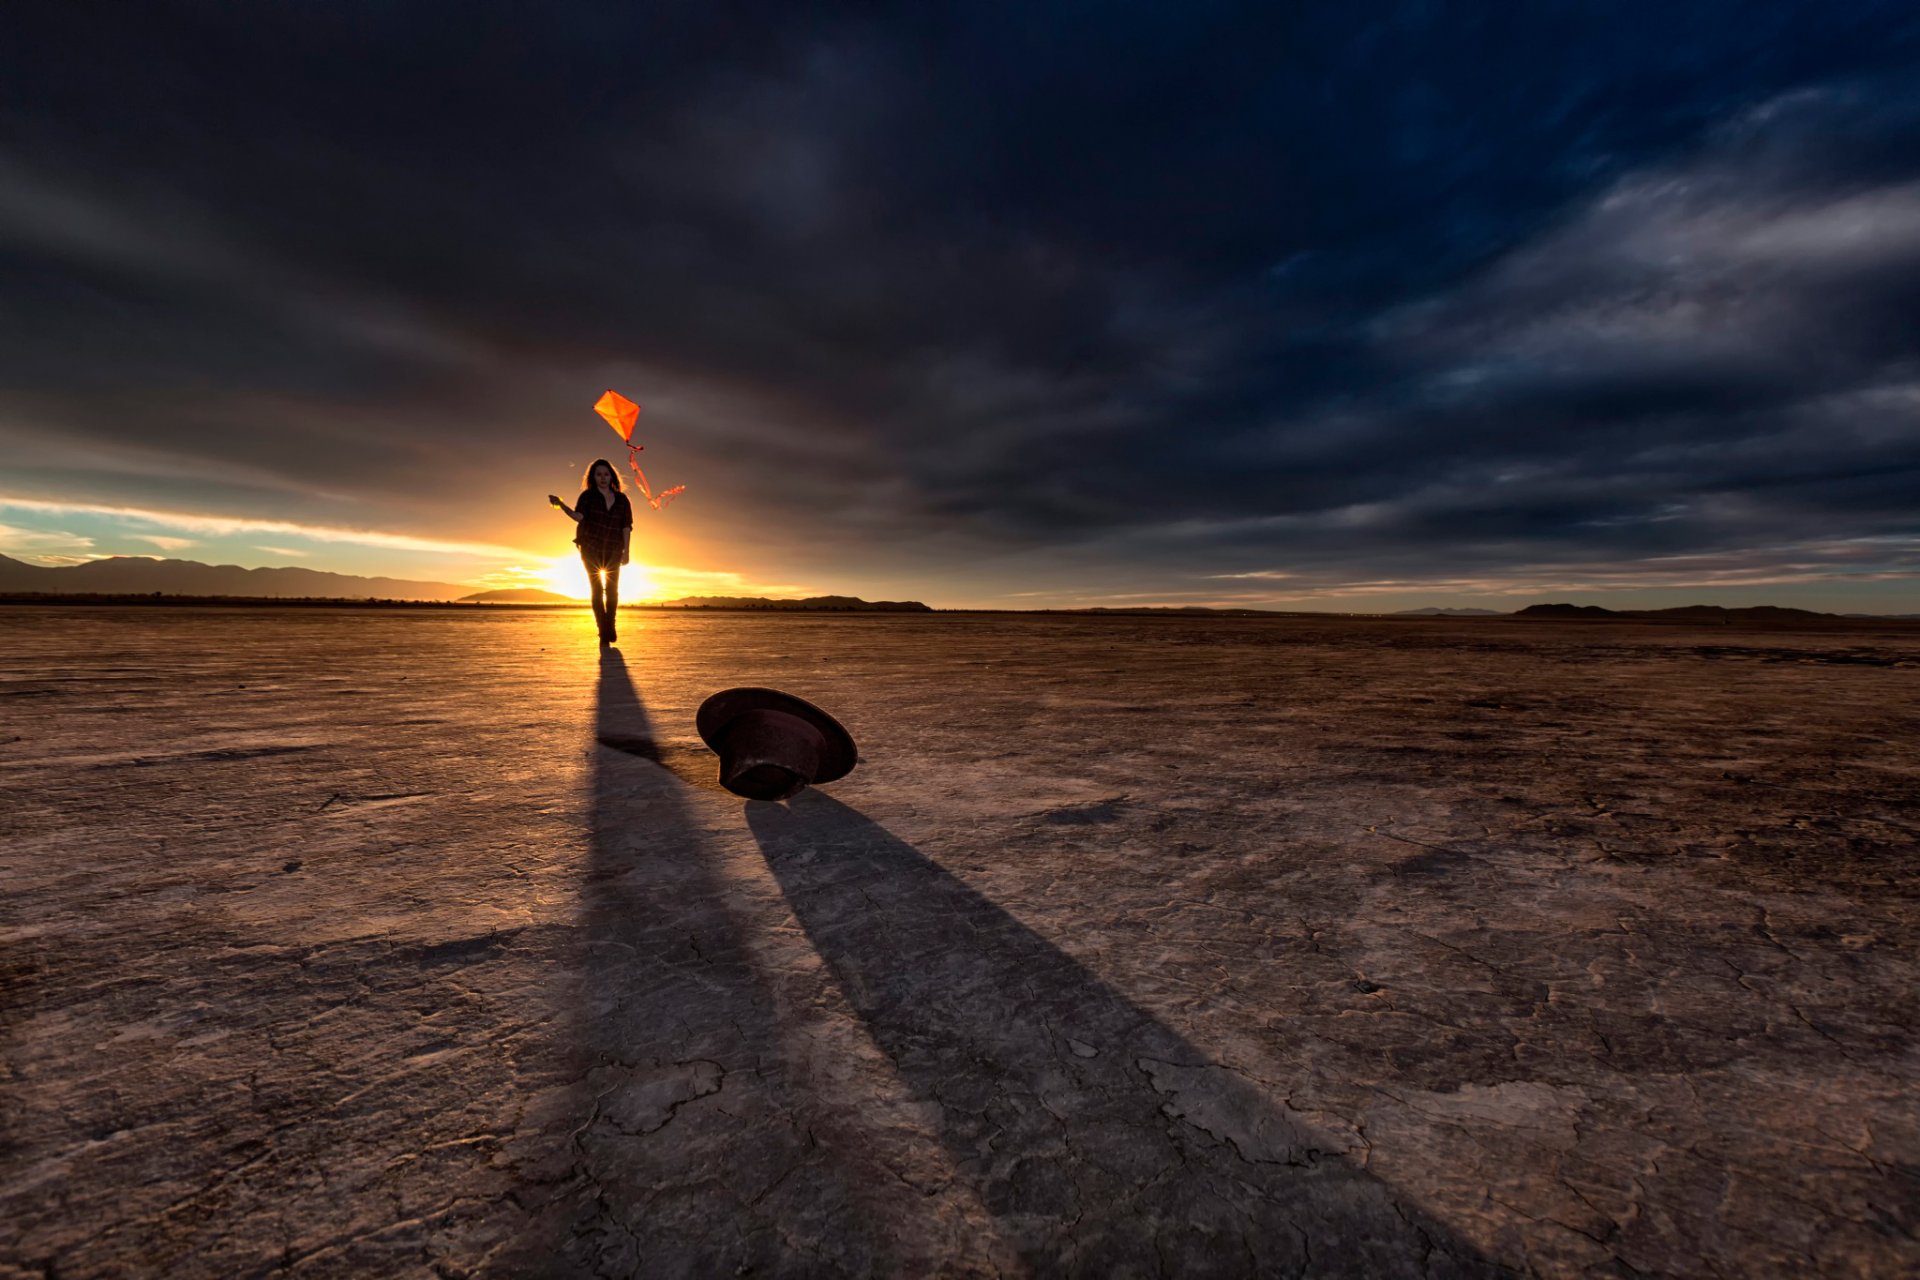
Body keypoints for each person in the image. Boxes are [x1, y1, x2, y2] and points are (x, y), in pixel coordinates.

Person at [549, 459, 633, 645]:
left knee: (612, 591)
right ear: (593, 477)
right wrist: (561, 505)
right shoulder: (587, 496)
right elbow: (579, 516)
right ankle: (603, 631)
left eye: (606, 474)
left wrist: (626, 551)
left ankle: (609, 625)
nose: (602, 478)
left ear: (611, 476)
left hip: (613, 547)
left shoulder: (622, 500)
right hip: (590, 547)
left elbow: (626, 527)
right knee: (596, 589)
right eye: (598, 474)